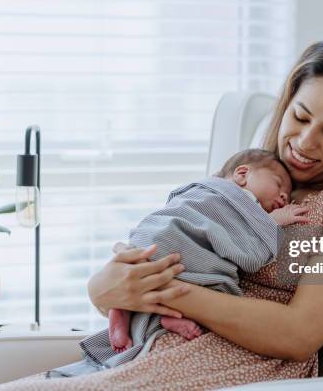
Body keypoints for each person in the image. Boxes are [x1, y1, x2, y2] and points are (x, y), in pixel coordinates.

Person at [0, 39, 323, 391]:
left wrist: (168, 291)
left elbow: (297, 334)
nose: (304, 142)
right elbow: (171, 244)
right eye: (299, 117)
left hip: (239, 363)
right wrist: (103, 287)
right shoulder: (253, 177)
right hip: (153, 344)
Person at [102, 149, 307, 360]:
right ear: (242, 174)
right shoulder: (238, 201)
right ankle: (163, 316)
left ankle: (125, 312)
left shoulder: (196, 190)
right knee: (219, 292)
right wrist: (272, 223)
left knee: (147, 277)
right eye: (278, 184)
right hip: (178, 246)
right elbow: (250, 257)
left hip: (149, 240)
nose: (284, 195)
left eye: (288, 195)